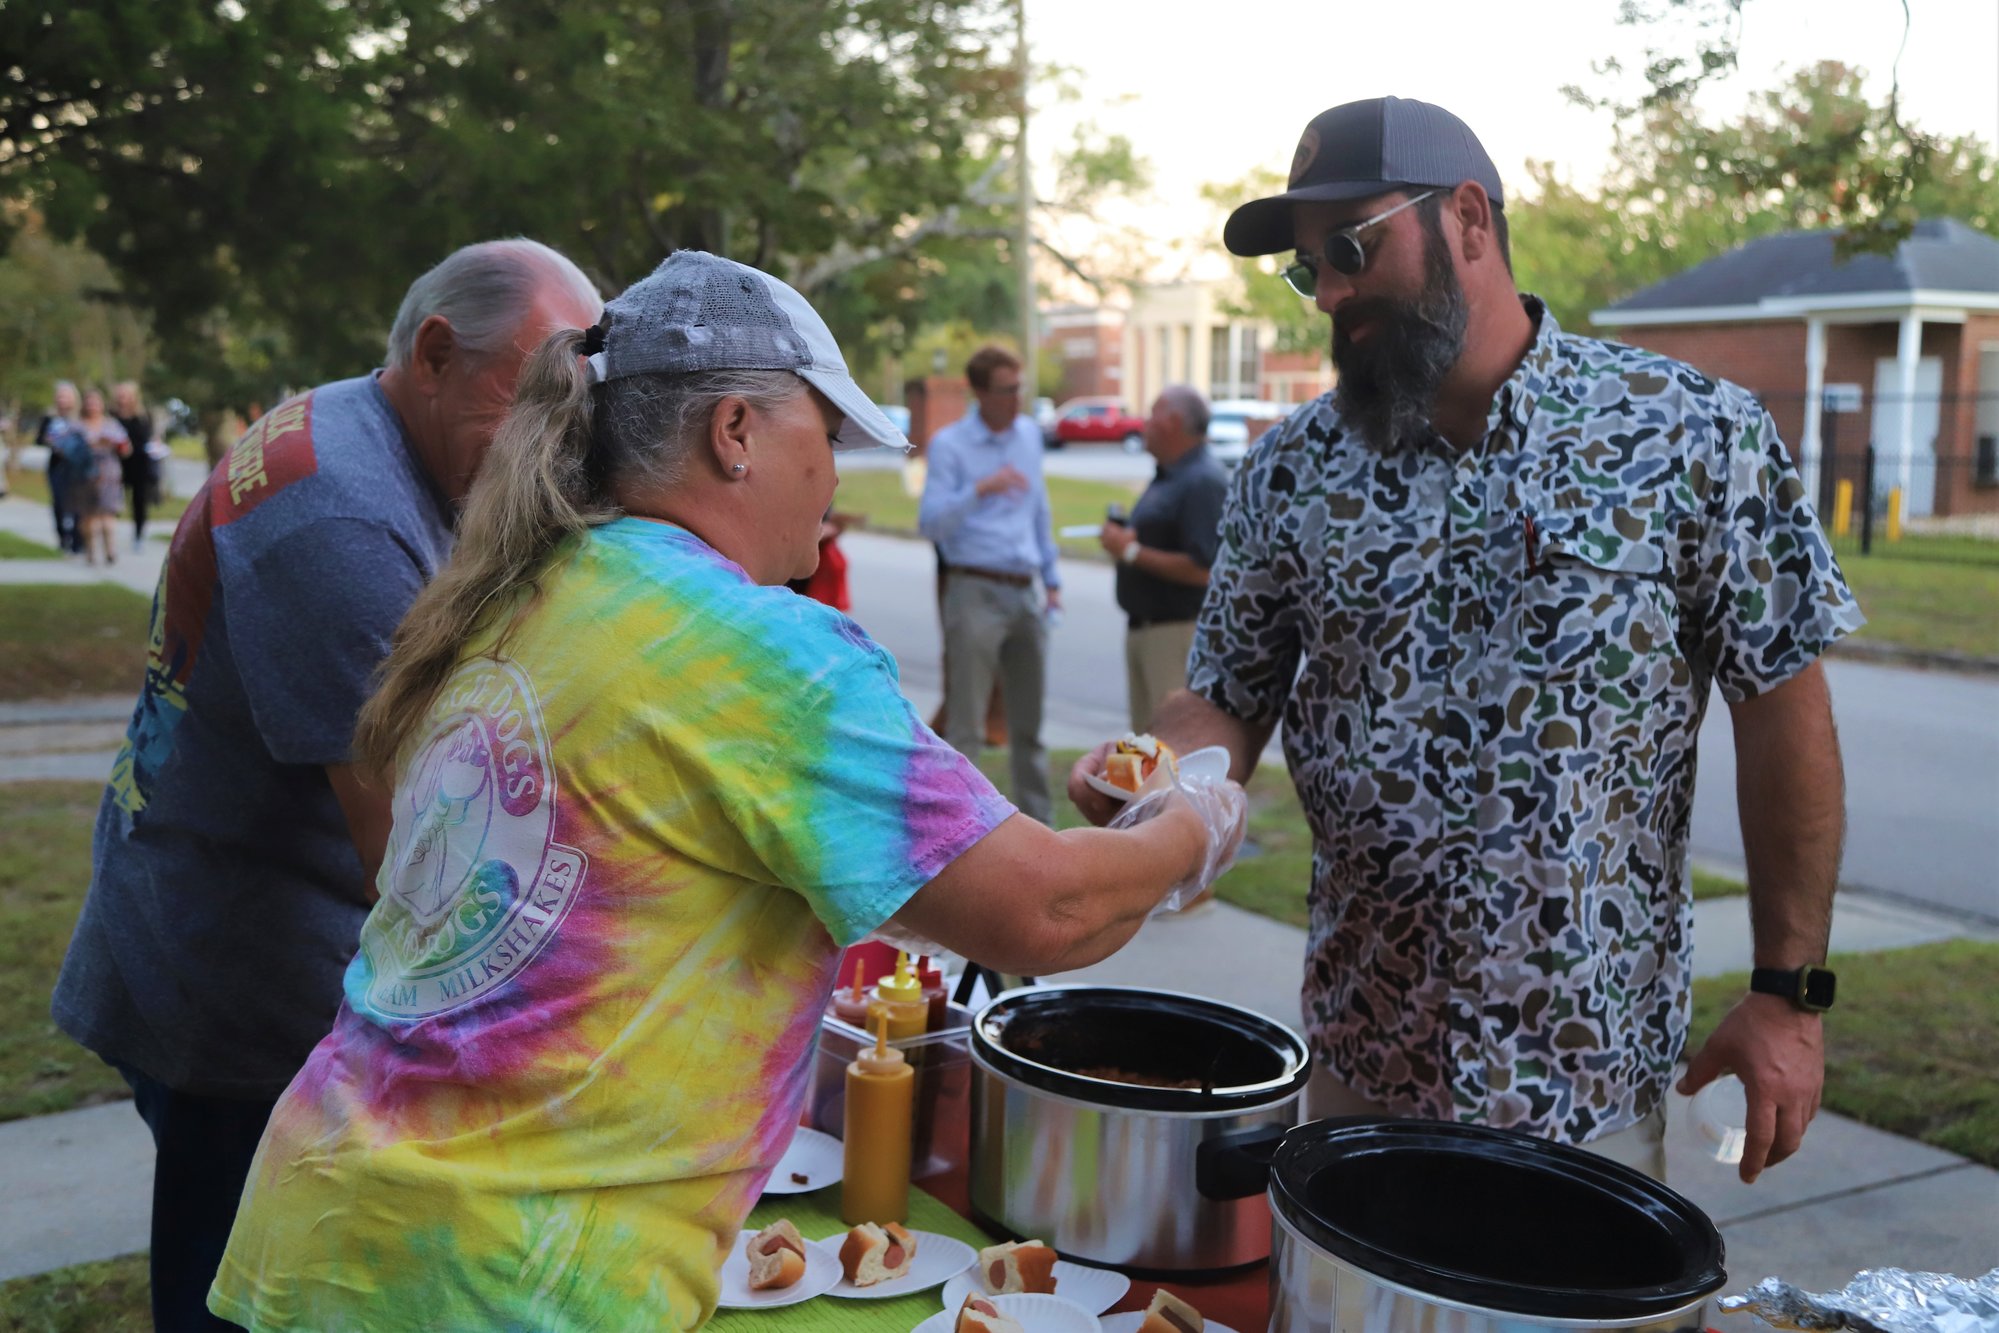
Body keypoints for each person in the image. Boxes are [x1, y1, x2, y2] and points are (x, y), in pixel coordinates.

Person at [204, 251, 1244, 1331]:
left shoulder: (527, 590)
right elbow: (1048, 907)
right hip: (505, 1282)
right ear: (735, 432)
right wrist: (1193, 825)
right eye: (827, 438)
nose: (836, 479)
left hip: (321, 1228)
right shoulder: (757, 651)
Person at [1070, 96, 1862, 1187]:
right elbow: (1225, 694)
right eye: (1309, 270)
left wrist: (1790, 995)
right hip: (1361, 1071)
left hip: (1582, 1090)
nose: (1333, 293)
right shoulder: (1292, 469)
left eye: (1351, 247)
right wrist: (1156, 783)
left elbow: (1784, 710)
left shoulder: (1690, 436)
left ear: (1471, 220)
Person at [51, 238, 601, 1332]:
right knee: (247, 1294)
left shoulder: (370, 430)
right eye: (538, 398)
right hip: (234, 984)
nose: (560, 443)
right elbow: (416, 854)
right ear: (437, 352)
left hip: (222, 924)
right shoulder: (337, 518)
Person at [918, 345, 1062, 822]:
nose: (1016, 399)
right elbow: (931, 522)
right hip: (973, 589)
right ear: (979, 393)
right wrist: (981, 489)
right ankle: (962, 832)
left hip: (1025, 590)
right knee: (967, 727)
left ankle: (1042, 833)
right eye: (1005, 390)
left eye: (1019, 388)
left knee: (1030, 729)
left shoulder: (1028, 436)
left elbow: (1039, 510)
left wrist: (1052, 579)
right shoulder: (951, 445)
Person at [1097, 385, 1230, 734]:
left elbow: (1205, 569)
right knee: (1146, 752)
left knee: (1170, 751)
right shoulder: (1170, 475)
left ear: (1172, 422)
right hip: (1146, 629)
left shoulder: (1202, 481)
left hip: (1174, 635)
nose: (1143, 424)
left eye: (1151, 415)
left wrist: (1130, 551)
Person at [75, 388, 131, 566]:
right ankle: (90, 552)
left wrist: (114, 444)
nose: (92, 406)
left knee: (108, 514)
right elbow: (64, 449)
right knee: (89, 517)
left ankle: (110, 551)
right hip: (84, 475)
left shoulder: (111, 425)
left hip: (109, 474)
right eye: (89, 402)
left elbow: (127, 449)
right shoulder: (76, 425)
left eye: (96, 402)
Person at [34, 380, 86, 554]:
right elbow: (39, 439)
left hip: (77, 467)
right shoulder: (50, 417)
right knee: (59, 503)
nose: (63, 400)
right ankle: (63, 536)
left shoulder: (81, 417)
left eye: (66, 396)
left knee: (78, 504)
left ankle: (78, 540)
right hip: (57, 465)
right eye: (60, 396)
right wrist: (50, 441)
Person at [113, 380, 163, 549]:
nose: (123, 399)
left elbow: (150, 438)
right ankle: (108, 531)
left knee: (139, 500)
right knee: (114, 498)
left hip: (139, 464)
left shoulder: (143, 416)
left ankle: (138, 534)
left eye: (126, 395)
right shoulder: (112, 416)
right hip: (117, 463)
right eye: (120, 395)